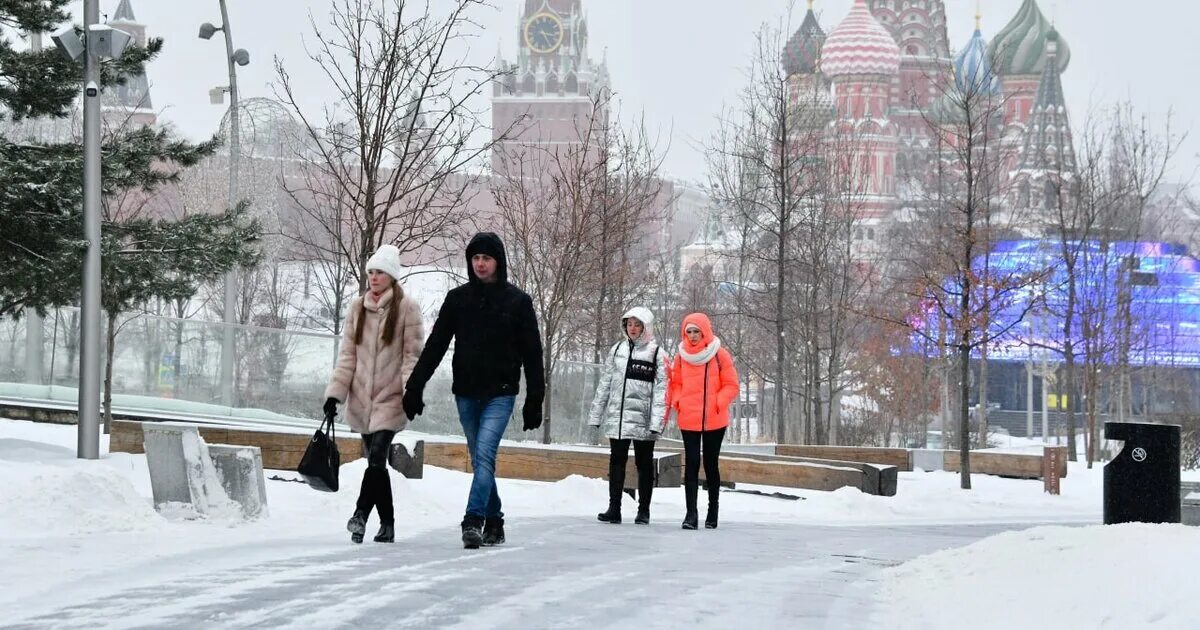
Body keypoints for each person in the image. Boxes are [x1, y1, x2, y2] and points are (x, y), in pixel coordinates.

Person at [402, 232, 545, 549]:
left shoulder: (518, 302)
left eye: (487, 258)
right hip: (466, 392)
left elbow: (533, 354)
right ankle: (496, 520)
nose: (480, 264)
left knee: (483, 455)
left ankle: (473, 520)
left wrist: (535, 398)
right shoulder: (458, 299)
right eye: (475, 258)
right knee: (482, 461)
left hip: (501, 393)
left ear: (498, 262)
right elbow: (436, 345)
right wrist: (415, 385)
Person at [324, 244, 424, 544]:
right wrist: (335, 395)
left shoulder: (407, 308)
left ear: (392, 276)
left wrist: (411, 392)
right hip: (360, 399)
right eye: (371, 272)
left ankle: (360, 515)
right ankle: (388, 525)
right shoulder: (358, 308)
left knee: (378, 454)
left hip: (391, 397)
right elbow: (347, 356)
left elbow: (412, 356)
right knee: (375, 465)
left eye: (379, 272)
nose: (374, 277)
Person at [587, 307, 670, 525]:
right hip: (618, 418)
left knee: (644, 465)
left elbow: (662, 391)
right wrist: (596, 414)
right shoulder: (616, 350)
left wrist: (656, 422)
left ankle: (644, 511)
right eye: (629, 324)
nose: (632, 329)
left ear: (646, 327)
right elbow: (605, 384)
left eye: (637, 324)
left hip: (643, 421)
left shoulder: (656, 353)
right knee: (616, 463)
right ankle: (614, 508)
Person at [665, 312, 739, 530]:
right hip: (689, 419)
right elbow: (675, 383)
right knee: (691, 466)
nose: (693, 336)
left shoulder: (719, 354)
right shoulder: (681, 356)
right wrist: (678, 401)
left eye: (696, 331)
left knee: (710, 464)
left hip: (715, 420)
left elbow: (731, 384)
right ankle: (691, 514)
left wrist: (718, 401)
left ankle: (712, 511)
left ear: (705, 331)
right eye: (689, 331)